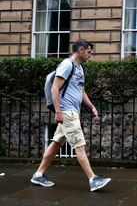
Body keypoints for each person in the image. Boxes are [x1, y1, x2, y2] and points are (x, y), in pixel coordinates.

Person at [31, 39, 111, 192]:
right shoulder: (67, 65)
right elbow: (55, 89)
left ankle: (38, 174)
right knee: (79, 146)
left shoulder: (79, 69)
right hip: (67, 112)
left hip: (73, 111)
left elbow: (81, 91)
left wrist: (92, 106)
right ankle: (93, 179)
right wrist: (59, 112)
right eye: (89, 52)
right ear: (80, 50)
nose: (90, 55)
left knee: (55, 144)